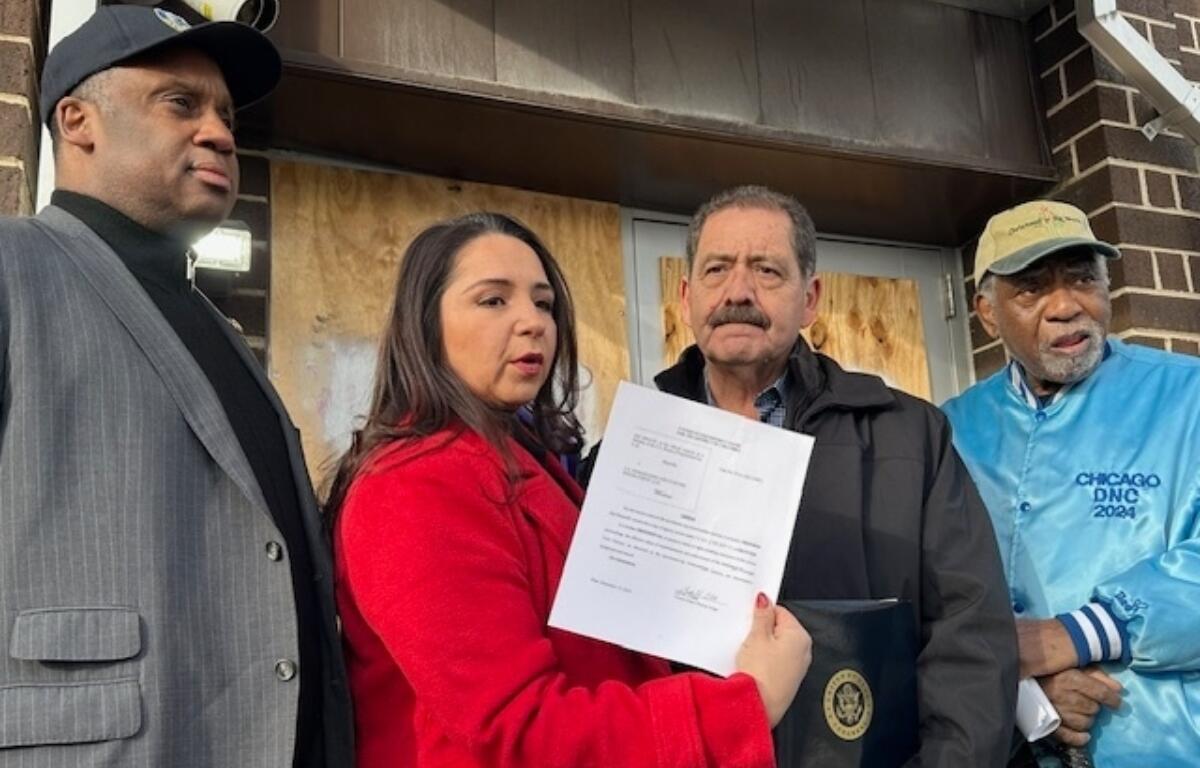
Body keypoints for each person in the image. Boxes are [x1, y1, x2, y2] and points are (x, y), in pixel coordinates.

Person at [326, 211, 811, 767]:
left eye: (543, 303)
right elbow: (520, 730)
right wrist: (744, 706)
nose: (533, 322)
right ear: (425, 324)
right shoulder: (414, 487)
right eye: (493, 300)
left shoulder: (514, 456)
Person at [0, 7, 351, 766]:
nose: (219, 134)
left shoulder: (216, 328)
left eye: (226, 115)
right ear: (78, 122)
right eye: (180, 104)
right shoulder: (12, 267)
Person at [592, 184, 1018, 766]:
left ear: (810, 298)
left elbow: (971, 641)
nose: (738, 292)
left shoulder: (910, 437)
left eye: (767, 270)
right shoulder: (627, 456)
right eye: (716, 269)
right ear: (687, 297)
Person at [942, 200, 1200, 767]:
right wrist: (1026, 696)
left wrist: (1078, 634)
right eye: (1031, 289)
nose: (1065, 306)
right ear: (987, 313)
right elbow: (933, 598)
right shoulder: (951, 430)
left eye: (1083, 279)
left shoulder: (1188, 396)